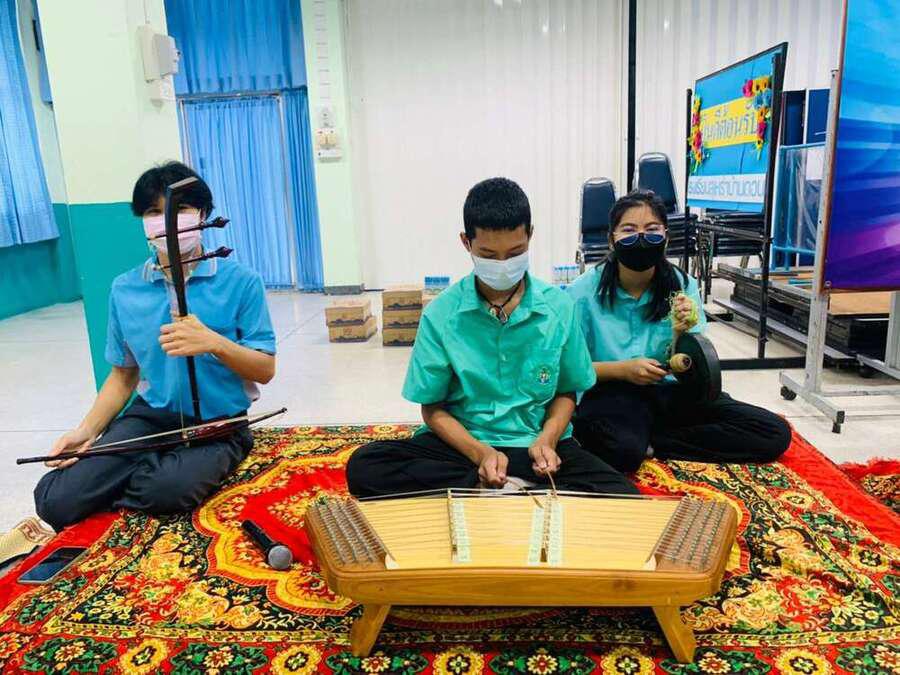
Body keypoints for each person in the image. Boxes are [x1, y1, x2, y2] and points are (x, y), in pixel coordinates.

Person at [346, 178, 637, 498]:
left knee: (623, 495)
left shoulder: (558, 307)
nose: (503, 265)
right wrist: (481, 453)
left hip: (534, 447)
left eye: (515, 252)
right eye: (488, 254)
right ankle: (506, 485)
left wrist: (547, 439)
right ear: (466, 243)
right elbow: (432, 409)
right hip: (463, 446)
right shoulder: (441, 314)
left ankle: (493, 487)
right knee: (365, 466)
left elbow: (567, 392)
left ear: (530, 235)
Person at [34, 162, 276, 531]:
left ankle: (141, 467)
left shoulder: (242, 282)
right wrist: (87, 432)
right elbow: (123, 376)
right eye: (153, 211)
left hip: (219, 423)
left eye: (180, 208)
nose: (166, 220)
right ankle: (143, 461)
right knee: (55, 500)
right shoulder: (125, 288)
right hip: (150, 418)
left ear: (203, 214)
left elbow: (265, 369)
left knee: (165, 491)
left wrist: (215, 343)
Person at [566, 190, 791, 473]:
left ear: (666, 237)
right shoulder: (582, 293)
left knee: (773, 433)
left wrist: (679, 336)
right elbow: (570, 368)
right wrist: (623, 370)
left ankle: (654, 442)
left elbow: (693, 365)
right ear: (612, 239)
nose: (641, 238)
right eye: (629, 230)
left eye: (652, 229)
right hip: (613, 391)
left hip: (670, 391)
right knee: (619, 452)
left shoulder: (682, 285)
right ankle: (644, 439)